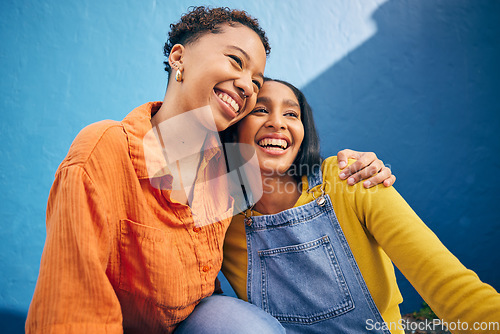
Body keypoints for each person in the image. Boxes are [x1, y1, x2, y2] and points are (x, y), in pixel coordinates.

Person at [25, 7, 394, 334]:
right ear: (179, 57)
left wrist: (349, 166)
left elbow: (291, 186)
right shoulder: (104, 149)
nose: (247, 86)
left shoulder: (228, 168)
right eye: (236, 61)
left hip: (195, 320)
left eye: (256, 80)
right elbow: (71, 302)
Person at [221, 78, 500, 334]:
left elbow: (450, 286)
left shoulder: (351, 179)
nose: (278, 123)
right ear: (234, 128)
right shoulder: (220, 217)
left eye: (292, 114)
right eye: (260, 110)